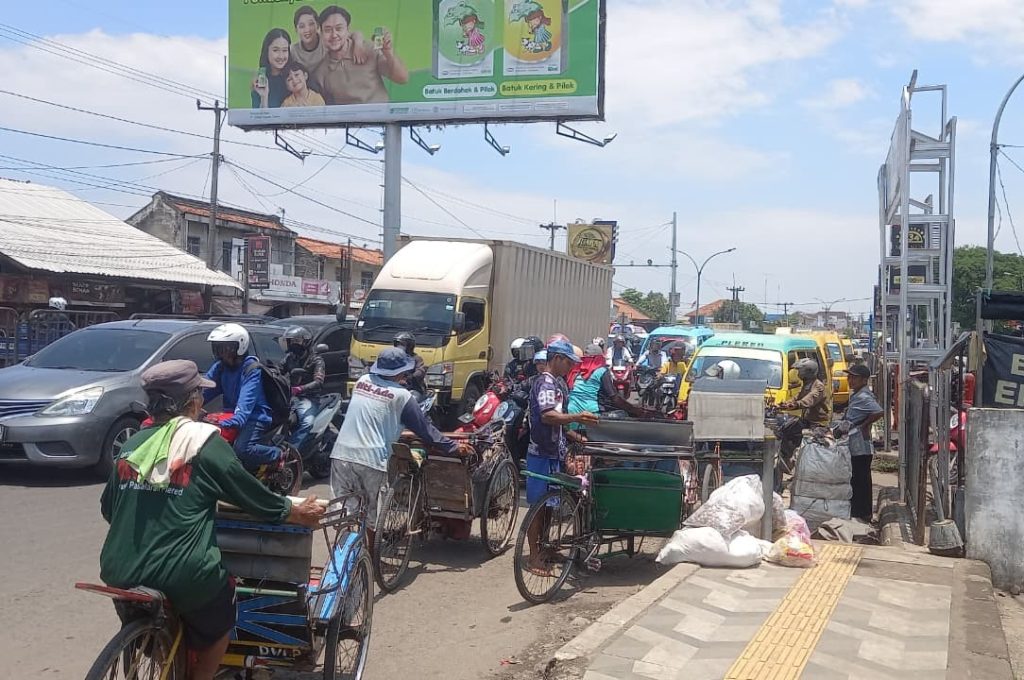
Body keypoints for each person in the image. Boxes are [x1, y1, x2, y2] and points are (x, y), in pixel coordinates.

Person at [99, 360, 324, 680]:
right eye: (200, 396)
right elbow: (250, 495)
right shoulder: (205, 442)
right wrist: (294, 512)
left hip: (118, 569)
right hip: (185, 574)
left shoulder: (134, 443)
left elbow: (109, 508)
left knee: (160, 627)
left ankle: (160, 650)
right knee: (220, 621)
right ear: (192, 401)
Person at [331, 347, 473, 554]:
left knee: (344, 512)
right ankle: (369, 560)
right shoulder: (402, 396)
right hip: (371, 459)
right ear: (400, 373)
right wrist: (453, 447)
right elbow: (426, 431)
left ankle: (342, 559)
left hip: (340, 454)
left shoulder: (362, 381)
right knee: (372, 516)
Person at [524, 340, 598, 575]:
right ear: (556, 359)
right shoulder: (545, 383)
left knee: (549, 507)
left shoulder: (556, 384)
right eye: (568, 362)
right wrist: (579, 416)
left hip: (553, 452)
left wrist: (577, 436)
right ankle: (534, 556)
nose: (570, 367)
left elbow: (559, 423)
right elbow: (548, 416)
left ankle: (544, 548)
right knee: (538, 507)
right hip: (541, 454)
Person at [203, 324, 281, 468]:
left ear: (239, 346)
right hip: (229, 416)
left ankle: (278, 454)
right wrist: (187, 406)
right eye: (217, 348)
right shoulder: (220, 367)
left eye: (225, 348)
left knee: (242, 450)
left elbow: (246, 402)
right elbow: (204, 390)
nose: (221, 353)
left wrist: (233, 420)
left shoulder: (251, 368)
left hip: (254, 417)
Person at [312, 5, 409, 106]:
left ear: (348, 30)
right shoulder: (320, 72)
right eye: (328, 30)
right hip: (348, 121)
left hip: (380, 119)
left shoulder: (368, 50)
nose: (334, 35)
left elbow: (402, 78)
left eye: (339, 29)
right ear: (321, 33)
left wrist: (388, 52)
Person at [840, 364, 883, 521]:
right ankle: (859, 511)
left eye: (854, 377)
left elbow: (878, 411)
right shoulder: (856, 395)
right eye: (849, 377)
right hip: (854, 444)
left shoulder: (864, 396)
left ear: (864, 380)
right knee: (857, 479)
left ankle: (863, 513)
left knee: (861, 480)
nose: (850, 380)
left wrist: (864, 425)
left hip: (861, 447)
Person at [569, 344, 648, 422]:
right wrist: (634, 410)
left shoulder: (576, 370)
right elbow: (615, 398)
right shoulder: (601, 371)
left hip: (571, 411)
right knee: (623, 414)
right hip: (591, 412)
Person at [281, 326, 325, 451]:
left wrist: (300, 389)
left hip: (309, 398)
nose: (293, 345)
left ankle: (291, 450)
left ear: (306, 342)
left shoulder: (316, 360)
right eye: (291, 341)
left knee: (307, 422)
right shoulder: (290, 358)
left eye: (296, 341)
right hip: (290, 396)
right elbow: (279, 370)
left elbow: (318, 382)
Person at [780, 358, 830, 427]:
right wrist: (785, 404)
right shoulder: (806, 385)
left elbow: (810, 399)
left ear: (808, 371)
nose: (798, 373)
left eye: (801, 370)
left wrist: (796, 404)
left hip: (818, 423)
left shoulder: (818, 386)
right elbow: (798, 397)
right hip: (807, 421)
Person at [252, 28, 292, 109]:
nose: (281, 56)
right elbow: (259, 120)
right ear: (266, 51)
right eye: (275, 50)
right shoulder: (260, 82)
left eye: (284, 50)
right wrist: (264, 97)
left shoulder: (294, 77)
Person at [393, 332, 426, 396]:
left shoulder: (416, 358)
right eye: (398, 344)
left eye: (402, 344)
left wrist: (409, 378)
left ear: (410, 346)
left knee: (415, 398)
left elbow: (420, 371)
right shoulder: (392, 357)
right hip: (393, 386)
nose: (399, 347)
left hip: (412, 388)